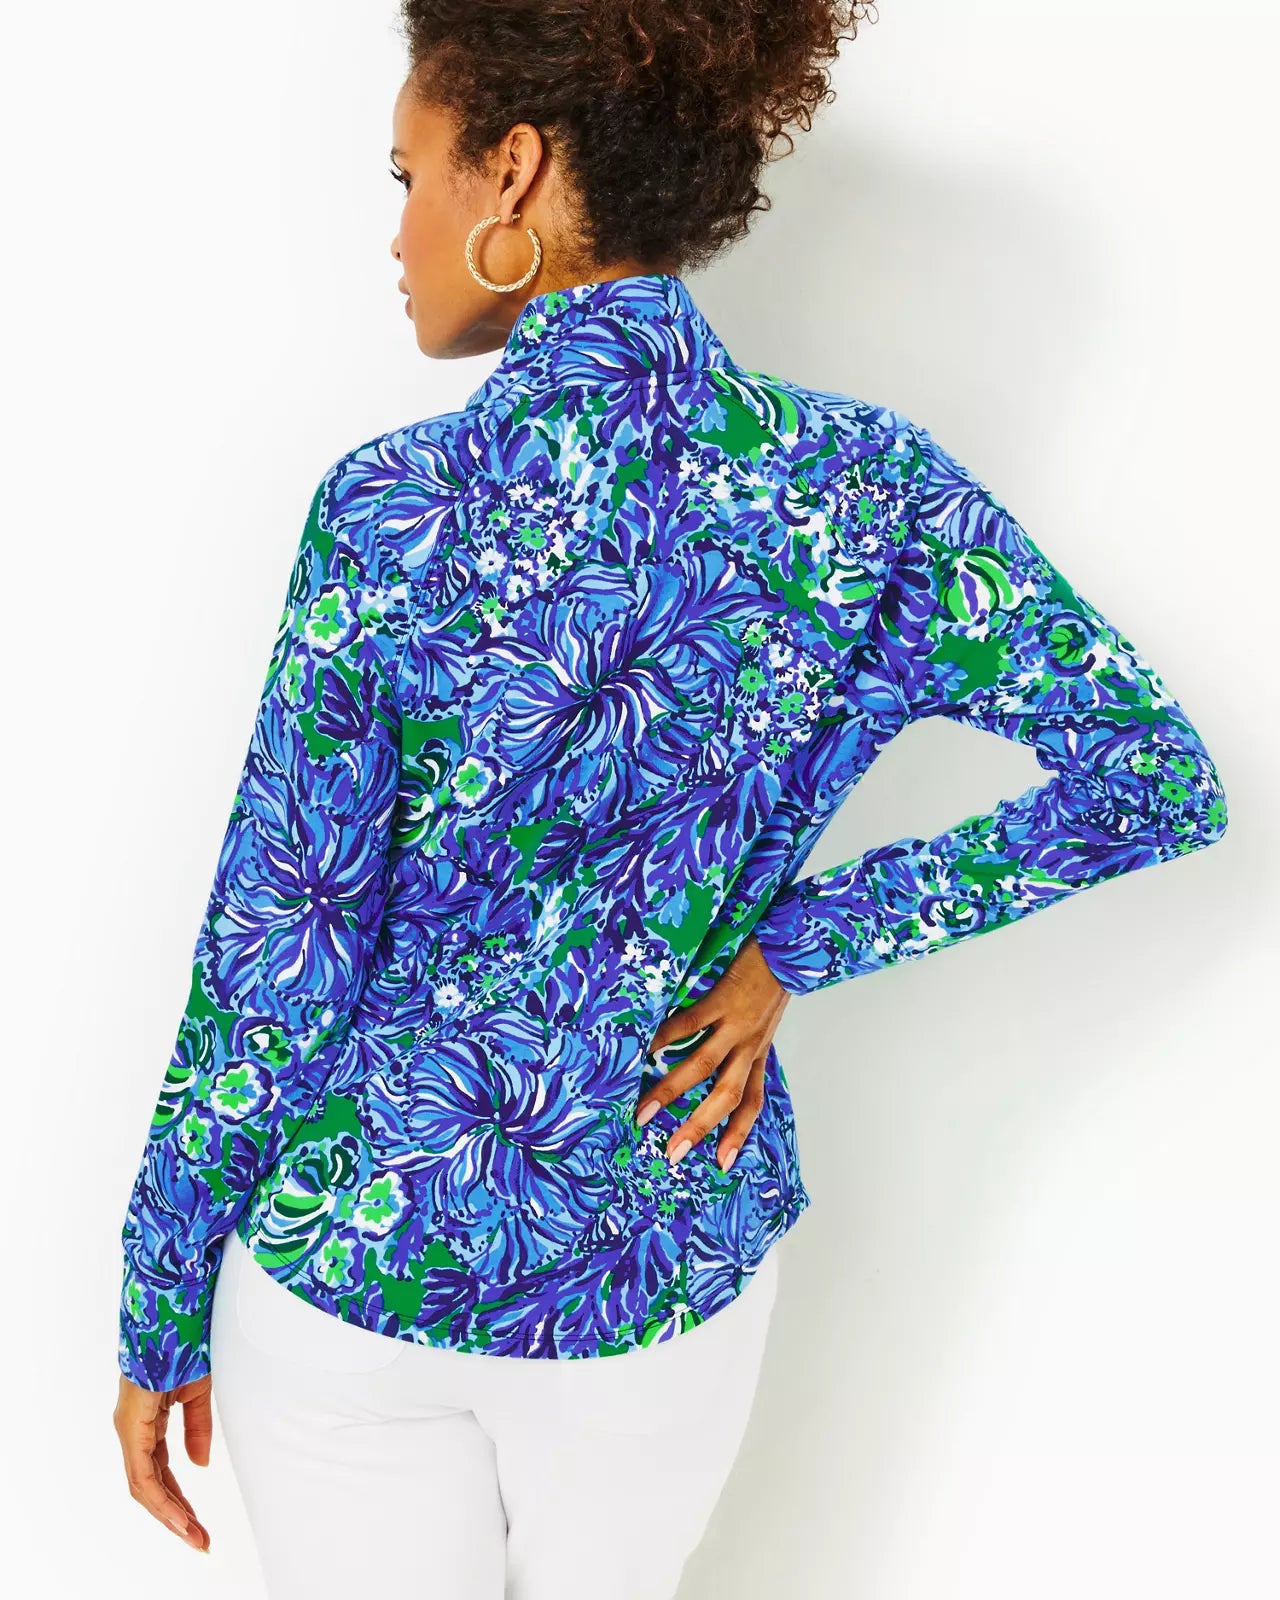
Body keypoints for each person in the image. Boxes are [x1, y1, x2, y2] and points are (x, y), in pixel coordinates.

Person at [113, 3, 1229, 1596]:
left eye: (409, 176)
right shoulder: (869, 491)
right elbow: (1148, 777)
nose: (396, 232)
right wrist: (790, 951)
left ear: (512, 170)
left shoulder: (390, 512)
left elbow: (279, 947)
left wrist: (160, 1297)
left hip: (355, 1263)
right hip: (661, 1255)